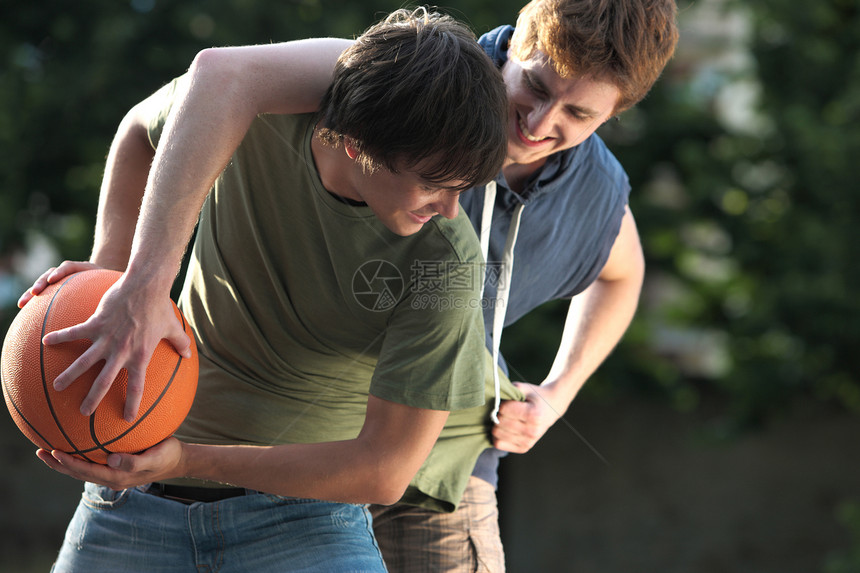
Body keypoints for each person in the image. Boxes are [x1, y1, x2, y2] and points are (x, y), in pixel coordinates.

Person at [26, 0, 681, 570]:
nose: (539, 122)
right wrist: (131, 281)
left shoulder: (585, 196)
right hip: (285, 442)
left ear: (612, 115)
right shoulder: (415, 82)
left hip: (434, 457)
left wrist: (557, 394)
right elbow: (216, 78)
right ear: (516, 45)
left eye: (577, 113)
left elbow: (624, 275)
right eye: (535, 86)